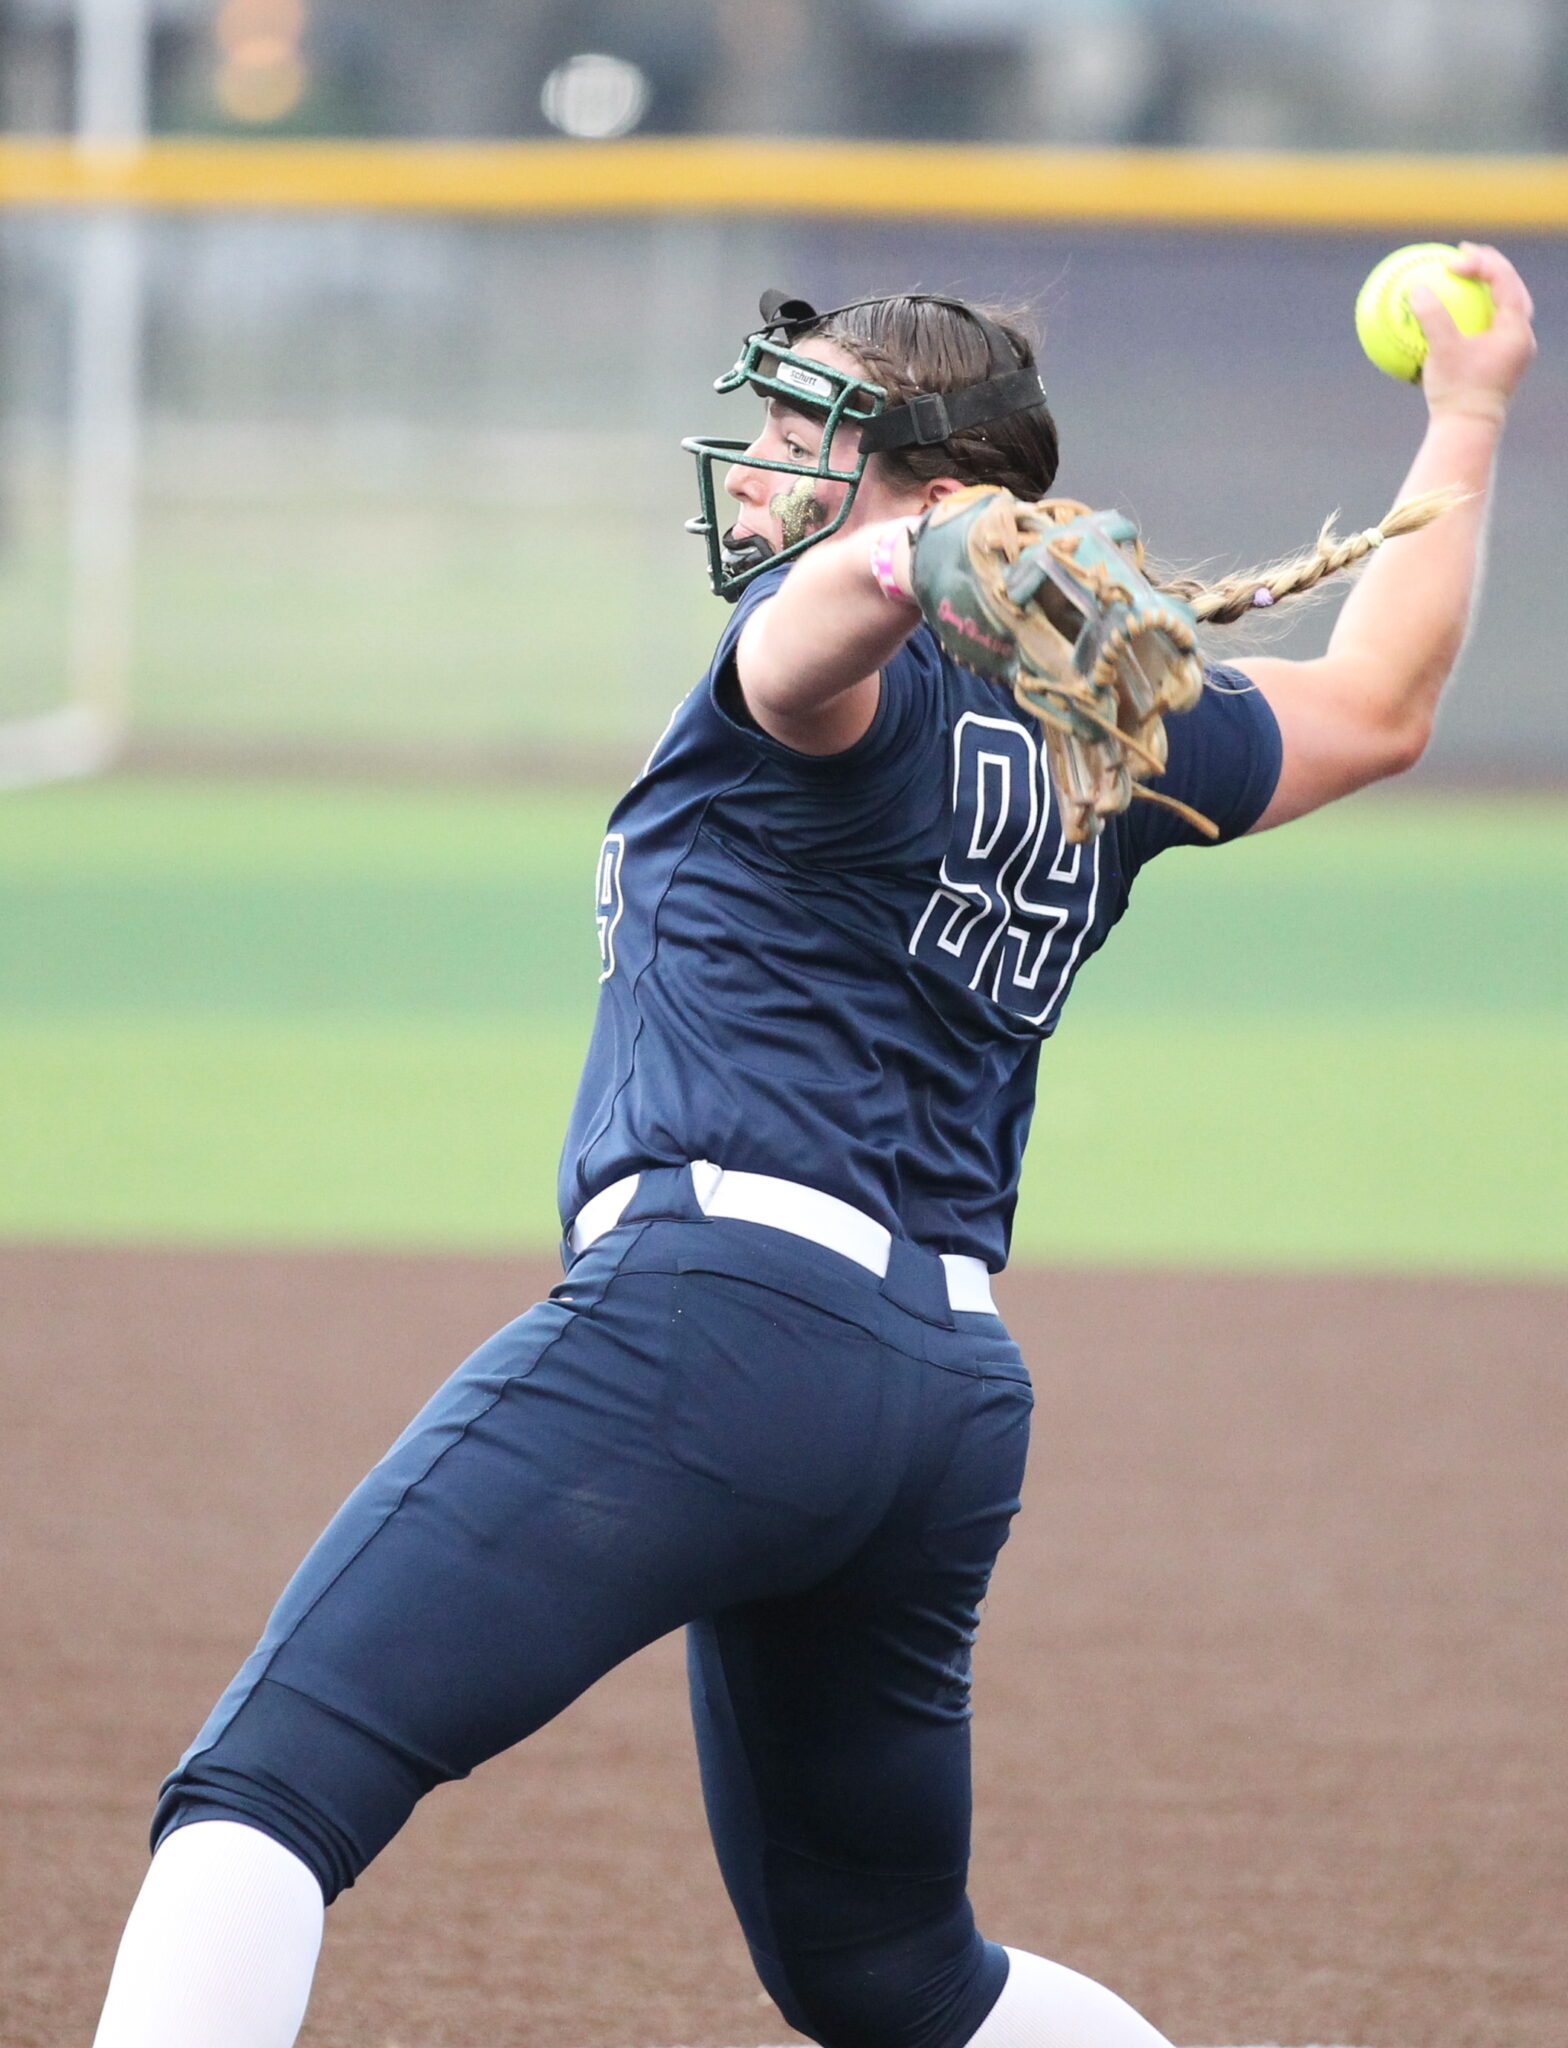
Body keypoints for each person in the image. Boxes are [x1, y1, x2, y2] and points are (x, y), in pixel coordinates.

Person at [91, 246, 1535, 2048]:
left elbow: (811, 646)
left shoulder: (826, 663)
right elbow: (1386, 702)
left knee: (262, 1792)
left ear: (943, 499)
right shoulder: (1105, 730)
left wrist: (908, 562)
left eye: (811, 434)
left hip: (711, 1333)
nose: (765, 464)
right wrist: (1468, 410)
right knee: (892, 1976)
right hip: (937, 1398)